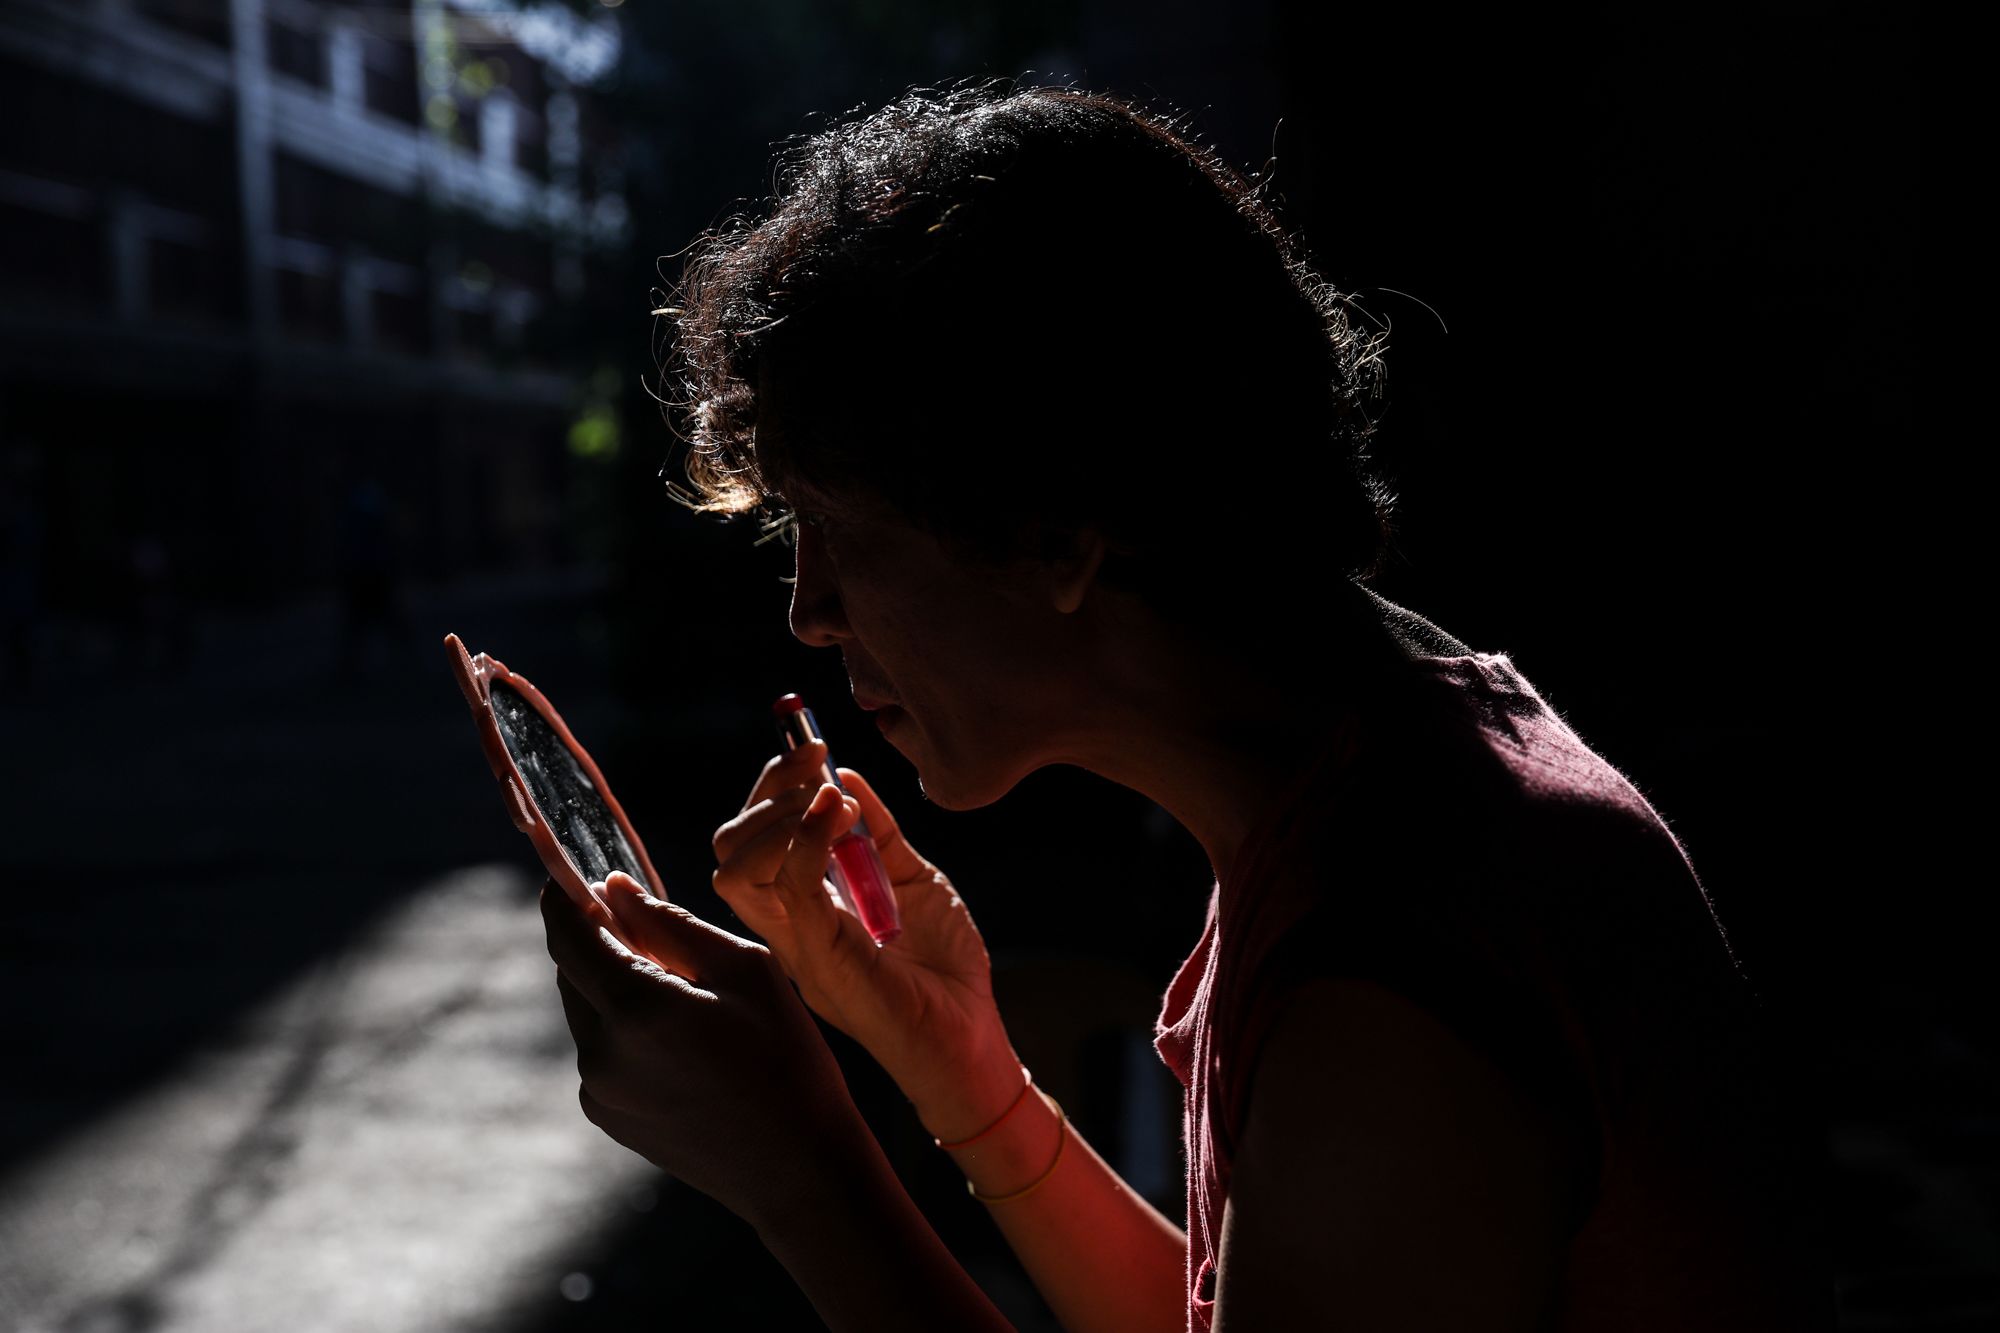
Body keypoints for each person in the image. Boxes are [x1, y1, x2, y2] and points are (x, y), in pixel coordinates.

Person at [537, 80, 1830, 1330]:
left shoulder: (1391, 978)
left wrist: (800, 1172)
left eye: (837, 529)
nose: (809, 611)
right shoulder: (1385, 774)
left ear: (1052, 529)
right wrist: (960, 1062)